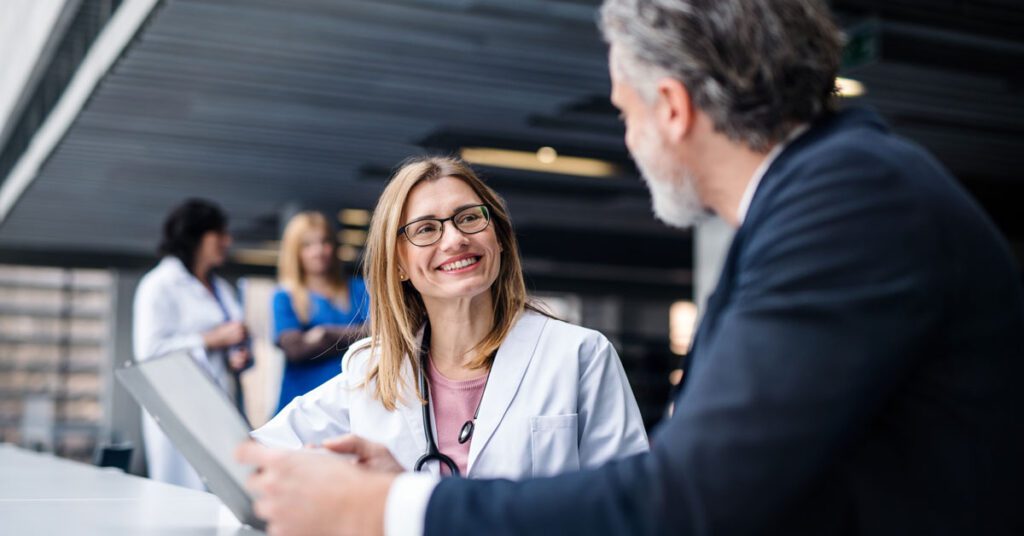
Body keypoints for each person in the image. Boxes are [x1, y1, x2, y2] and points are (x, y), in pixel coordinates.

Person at [236, 0, 1024, 533]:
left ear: (673, 108)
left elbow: (688, 496)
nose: (628, 136)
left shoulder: (848, 204)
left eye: (624, 109)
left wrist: (393, 509)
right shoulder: (824, 195)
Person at [250, 156, 647, 480]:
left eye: (470, 218)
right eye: (425, 229)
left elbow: (631, 505)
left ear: (500, 239)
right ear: (399, 263)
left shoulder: (579, 355)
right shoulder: (371, 370)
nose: (455, 239)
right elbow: (253, 457)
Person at [134, 198, 251, 489]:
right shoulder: (159, 285)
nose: (228, 241)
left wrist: (236, 356)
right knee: (180, 493)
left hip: (220, 403)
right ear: (196, 236)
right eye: (220, 234)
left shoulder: (222, 288)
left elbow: (231, 342)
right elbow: (149, 353)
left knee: (225, 491)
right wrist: (211, 339)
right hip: (178, 405)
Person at [271, 211, 369, 414]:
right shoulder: (284, 297)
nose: (319, 251)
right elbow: (295, 349)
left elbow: (379, 335)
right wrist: (354, 337)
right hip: (302, 405)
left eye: (324, 242)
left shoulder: (359, 289)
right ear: (295, 251)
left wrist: (324, 335)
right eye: (307, 245)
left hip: (352, 402)